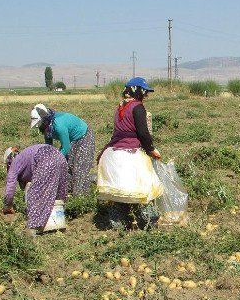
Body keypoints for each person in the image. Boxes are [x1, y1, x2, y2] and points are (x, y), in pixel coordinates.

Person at [97, 77, 163, 230]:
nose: (146, 95)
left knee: (119, 194)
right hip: (130, 155)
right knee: (142, 193)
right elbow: (143, 133)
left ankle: (118, 224)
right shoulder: (137, 107)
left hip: (113, 154)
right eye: (145, 92)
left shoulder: (120, 107)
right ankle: (147, 223)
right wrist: (151, 149)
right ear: (138, 91)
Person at [2, 144, 68, 236]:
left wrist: (7, 206)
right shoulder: (24, 157)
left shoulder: (14, 163)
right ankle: (59, 221)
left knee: (34, 195)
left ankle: (34, 227)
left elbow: (10, 187)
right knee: (58, 193)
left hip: (45, 158)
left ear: (9, 160)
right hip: (60, 157)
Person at [30, 103, 95, 196]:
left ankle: (80, 198)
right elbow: (49, 146)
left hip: (83, 136)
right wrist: (47, 160)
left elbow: (66, 148)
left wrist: (54, 160)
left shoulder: (58, 125)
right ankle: (66, 193)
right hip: (71, 139)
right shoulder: (47, 128)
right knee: (66, 166)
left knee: (79, 168)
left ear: (43, 120)